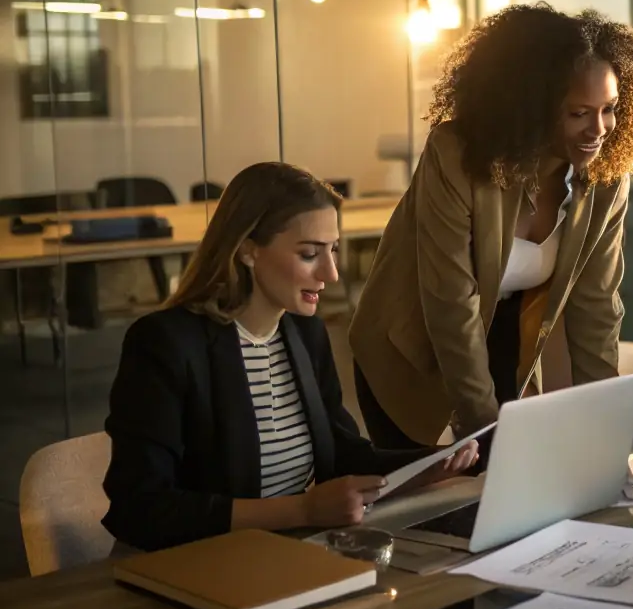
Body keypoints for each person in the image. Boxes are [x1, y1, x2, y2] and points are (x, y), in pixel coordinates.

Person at [349, 5, 633, 459]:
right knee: (432, 502)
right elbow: (449, 302)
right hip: (411, 352)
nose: (599, 130)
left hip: (501, 344)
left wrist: (606, 425)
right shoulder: (457, 156)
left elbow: (596, 305)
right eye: (579, 112)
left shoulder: (607, 178)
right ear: (533, 108)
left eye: (610, 109)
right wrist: (485, 428)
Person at [103, 163, 463, 553]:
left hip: (282, 555)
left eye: (333, 251)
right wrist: (303, 510)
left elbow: (343, 454)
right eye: (310, 254)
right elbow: (140, 508)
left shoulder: (304, 334)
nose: (331, 273)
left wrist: (432, 465)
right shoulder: (165, 344)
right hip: (198, 563)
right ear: (247, 250)